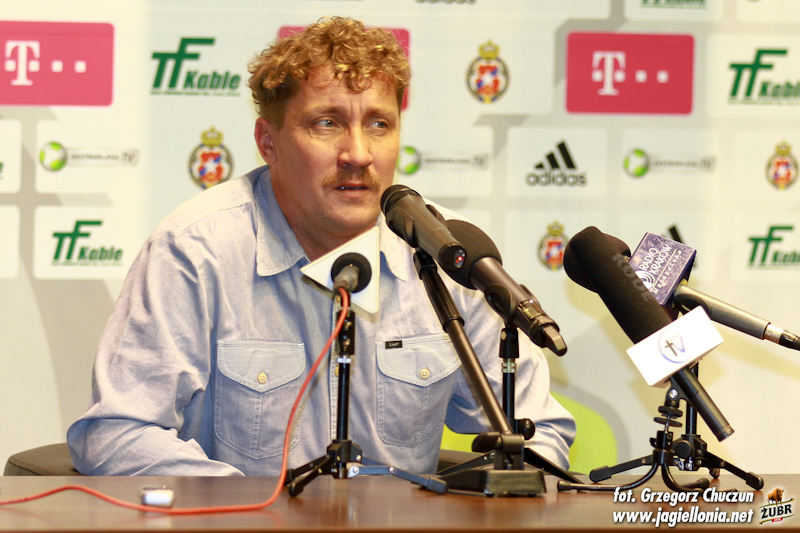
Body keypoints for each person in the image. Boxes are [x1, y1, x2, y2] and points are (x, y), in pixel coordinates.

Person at [67, 16, 575, 476]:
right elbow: (117, 434)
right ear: (268, 142)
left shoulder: (445, 254)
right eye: (326, 123)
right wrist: (255, 512)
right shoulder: (196, 251)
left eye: (378, 124)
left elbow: (539, 430)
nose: (358, 154)